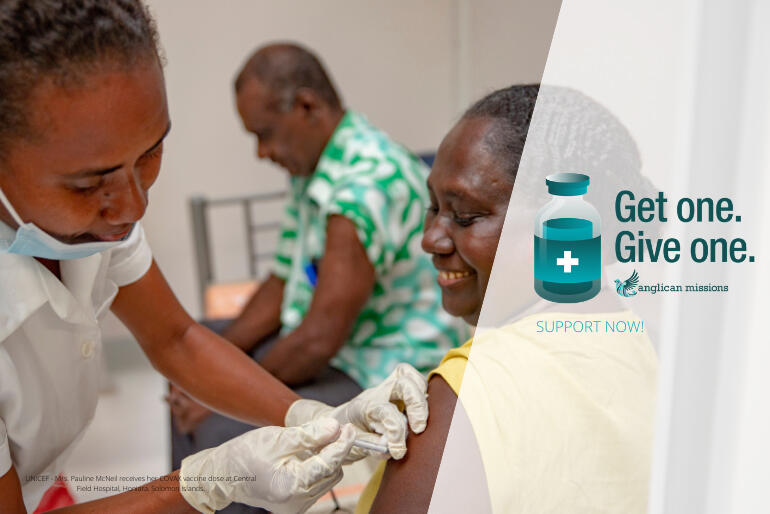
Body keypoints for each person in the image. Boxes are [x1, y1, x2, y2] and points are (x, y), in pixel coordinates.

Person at [0, 2, 430, 513]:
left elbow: (177, 338)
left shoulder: (355, 183)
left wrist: (304, 417)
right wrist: (201, 483)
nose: (135, 207)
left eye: (151, 154)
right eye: (88, 183)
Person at [356, 85, 659, 513]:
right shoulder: (652, 347)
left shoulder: (469, 394)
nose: (430, 239)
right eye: (434, 207)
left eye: (465, 216)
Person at [169, 43, 465, 468]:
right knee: (192, 359)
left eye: (264, 134)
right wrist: (211, 364)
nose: (261, 153)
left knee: (220, 435)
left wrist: (222, 396)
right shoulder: (317, 166)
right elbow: (281, 281)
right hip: (341, 344)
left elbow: (318, 338)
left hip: (384, 366)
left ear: (306, 106)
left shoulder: (362, 186)